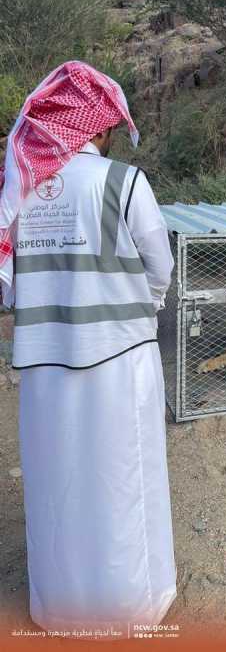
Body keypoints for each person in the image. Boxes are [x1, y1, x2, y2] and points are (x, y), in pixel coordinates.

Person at [0, 60, 177, 637]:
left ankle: (60, 608)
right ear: (96, 129)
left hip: (45, 366)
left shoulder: (19, 191)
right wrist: (139, 304)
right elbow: (160, 263)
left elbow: (8, 280)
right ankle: (129, 610)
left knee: (58, 478)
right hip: (121, 361)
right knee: (123, 475)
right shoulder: (124, 183)